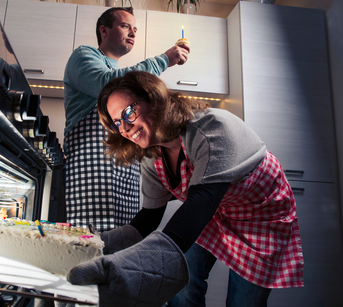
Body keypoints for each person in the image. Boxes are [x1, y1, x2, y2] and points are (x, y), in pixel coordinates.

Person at [66, 71, 304, 307]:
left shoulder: (211, 129)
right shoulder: (152, 155)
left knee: (243, 302)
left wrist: (129, 265)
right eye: (117, 122)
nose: (125, 127)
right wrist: (92, 242)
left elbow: (201, 203)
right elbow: (148, 220)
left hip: (260, 220)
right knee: (181, 289)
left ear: (154, 98)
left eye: (129, 112)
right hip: (215, 212)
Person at [63, 7, 190, 232]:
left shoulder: (119, 71)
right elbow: (107, 85)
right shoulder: (84, 55)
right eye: (125, 26)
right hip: (92, 170)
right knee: (90, 243)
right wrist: (164, 60)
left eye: (135, 29)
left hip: (126, 169)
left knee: (124, 239)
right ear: (104, 30)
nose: (132, 33)